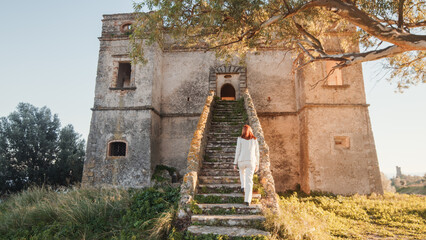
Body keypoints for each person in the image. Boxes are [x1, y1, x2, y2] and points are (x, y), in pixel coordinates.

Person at [233, 124, 259, 206]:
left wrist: (235, 163)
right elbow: (257, 153)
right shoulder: (254, 140)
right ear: (250, 131)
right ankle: (247, 200)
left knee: (241, 172)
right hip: (251, 161)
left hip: (241, 160)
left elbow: (237, 151)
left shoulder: (239, 139)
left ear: (243, 131)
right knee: (249, 181)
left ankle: (242, 186)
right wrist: (257, 164)